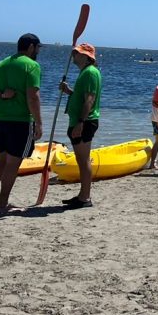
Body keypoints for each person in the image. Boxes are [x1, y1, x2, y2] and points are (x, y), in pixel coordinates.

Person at [0, 33, 44, 215]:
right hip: (20, 121)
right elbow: (33, 96)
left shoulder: (3, 63)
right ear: (31, 47)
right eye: (38, 48)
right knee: (13, 163)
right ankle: (2, 204)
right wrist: (39, 122)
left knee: (2, 158)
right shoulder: (32, 65)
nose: (38, 51)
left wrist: (1, 95)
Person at [58, 43, 101, 208]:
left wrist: (81, 123)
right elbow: (81, 96)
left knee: (83, 160)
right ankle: (83, 195)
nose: (74, 56)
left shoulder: (90, 72)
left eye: (77, 53)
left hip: (85, 121)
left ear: (87, 56)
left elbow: (89, 99)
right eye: (74, 53)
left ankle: (85, 197)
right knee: (80, 160)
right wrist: (68, 91)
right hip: (79, 121)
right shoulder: (85, 72)